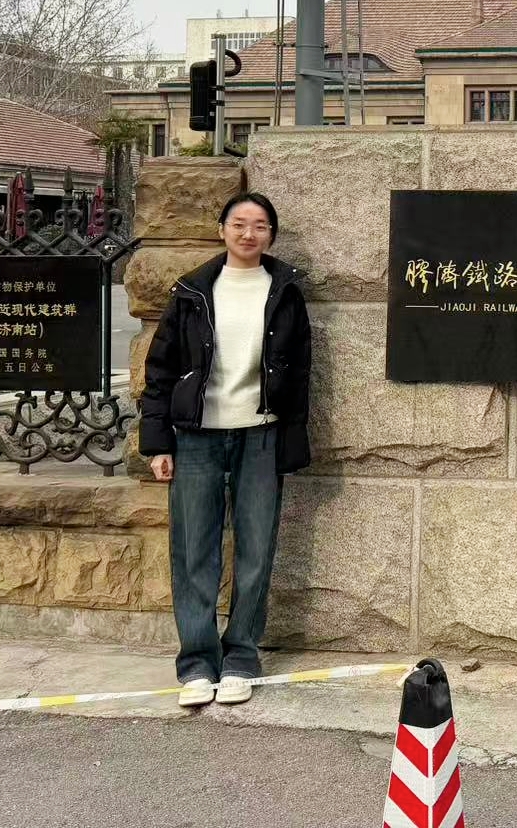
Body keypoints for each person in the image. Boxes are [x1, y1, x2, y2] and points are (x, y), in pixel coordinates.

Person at [138, 191, 312, 709]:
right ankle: (196, 662)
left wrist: (293, 438)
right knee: (194, 550)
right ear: (222, 230)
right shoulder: (192, 290)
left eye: (260, 225)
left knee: (256, 550)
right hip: (197, 436)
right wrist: (158, 442)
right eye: (239, 223)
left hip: (261, 434)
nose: (248, 233)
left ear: (271, 235)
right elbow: (161, 369)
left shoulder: (284, 290)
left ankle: (241, 657)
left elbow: (300, 371)